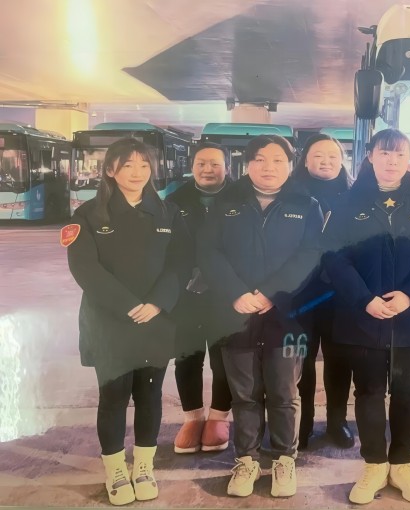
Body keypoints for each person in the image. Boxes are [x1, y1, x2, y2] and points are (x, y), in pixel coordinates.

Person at [322, 129, 410, 505]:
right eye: (384, 153)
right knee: (368, 392)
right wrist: (363, 298)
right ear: (370, 156)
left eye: (399, 154)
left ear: (408, 159)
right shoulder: (348, 203)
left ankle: (402, 463)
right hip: (362, 317)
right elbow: (334, 256)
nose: (391, 161)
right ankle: (374, 463)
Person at [66, 138, 191, 506]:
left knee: (150, 394)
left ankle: (144, 467)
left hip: (155, 320)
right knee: (113, 396)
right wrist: (128, 305)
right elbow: (85, 269)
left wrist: (158, 302)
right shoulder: (88, 215)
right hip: (109, 322)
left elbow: (182, 262)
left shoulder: (168, 213)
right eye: (127, 165)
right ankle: (116, 470)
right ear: (110, 170)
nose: (137, 172)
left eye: (144, 165)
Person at [198, 135, 323, 499]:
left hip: (287, 316)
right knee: (244, 394)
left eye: (278, 160)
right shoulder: (226, 201)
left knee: (284, 392)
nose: (269, 167)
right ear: (248, 164)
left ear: (290, 165)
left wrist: (272, 293)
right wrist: (236, 293)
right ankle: (247, 459)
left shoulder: (306, 204)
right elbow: (208, 251)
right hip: (235, 314)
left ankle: (284, 458)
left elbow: (311, 255)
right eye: (261, 160)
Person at [167, 142, 234, 454]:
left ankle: (219, 417)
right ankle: (192, 417)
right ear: (191, 166)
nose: (208, 170)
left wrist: (215, 275)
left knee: (224, 359)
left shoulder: (241, 199)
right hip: (187, 294)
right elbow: (167, 248)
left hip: (228, 294)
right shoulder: (174, 201)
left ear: (227, 167)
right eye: (201, 164)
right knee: (187, 357)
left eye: (215, 164)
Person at [290, 133, 355, 449]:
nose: (325, 161)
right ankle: (301, 424)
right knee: (300, 359)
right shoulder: (290, 194)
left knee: (339, 359)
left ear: (342, 161)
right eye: (318, 155)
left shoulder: (356, 196)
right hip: (300, 292)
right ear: (305, 160)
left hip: (340, 293)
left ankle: (337, 421)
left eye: (333, 156)